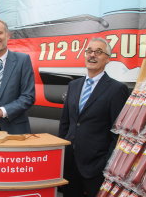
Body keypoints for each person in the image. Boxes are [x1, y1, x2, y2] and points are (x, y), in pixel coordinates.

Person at [58, 37, 129, 197]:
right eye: (89, 51)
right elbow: (65, 123)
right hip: (70, 164)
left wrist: (106, 163)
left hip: (96, 167)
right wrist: (61, 154)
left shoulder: (117, 89)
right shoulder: (73, 86)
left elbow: (118, 133)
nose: (92, 55)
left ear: (108, 59)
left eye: (98, 52)